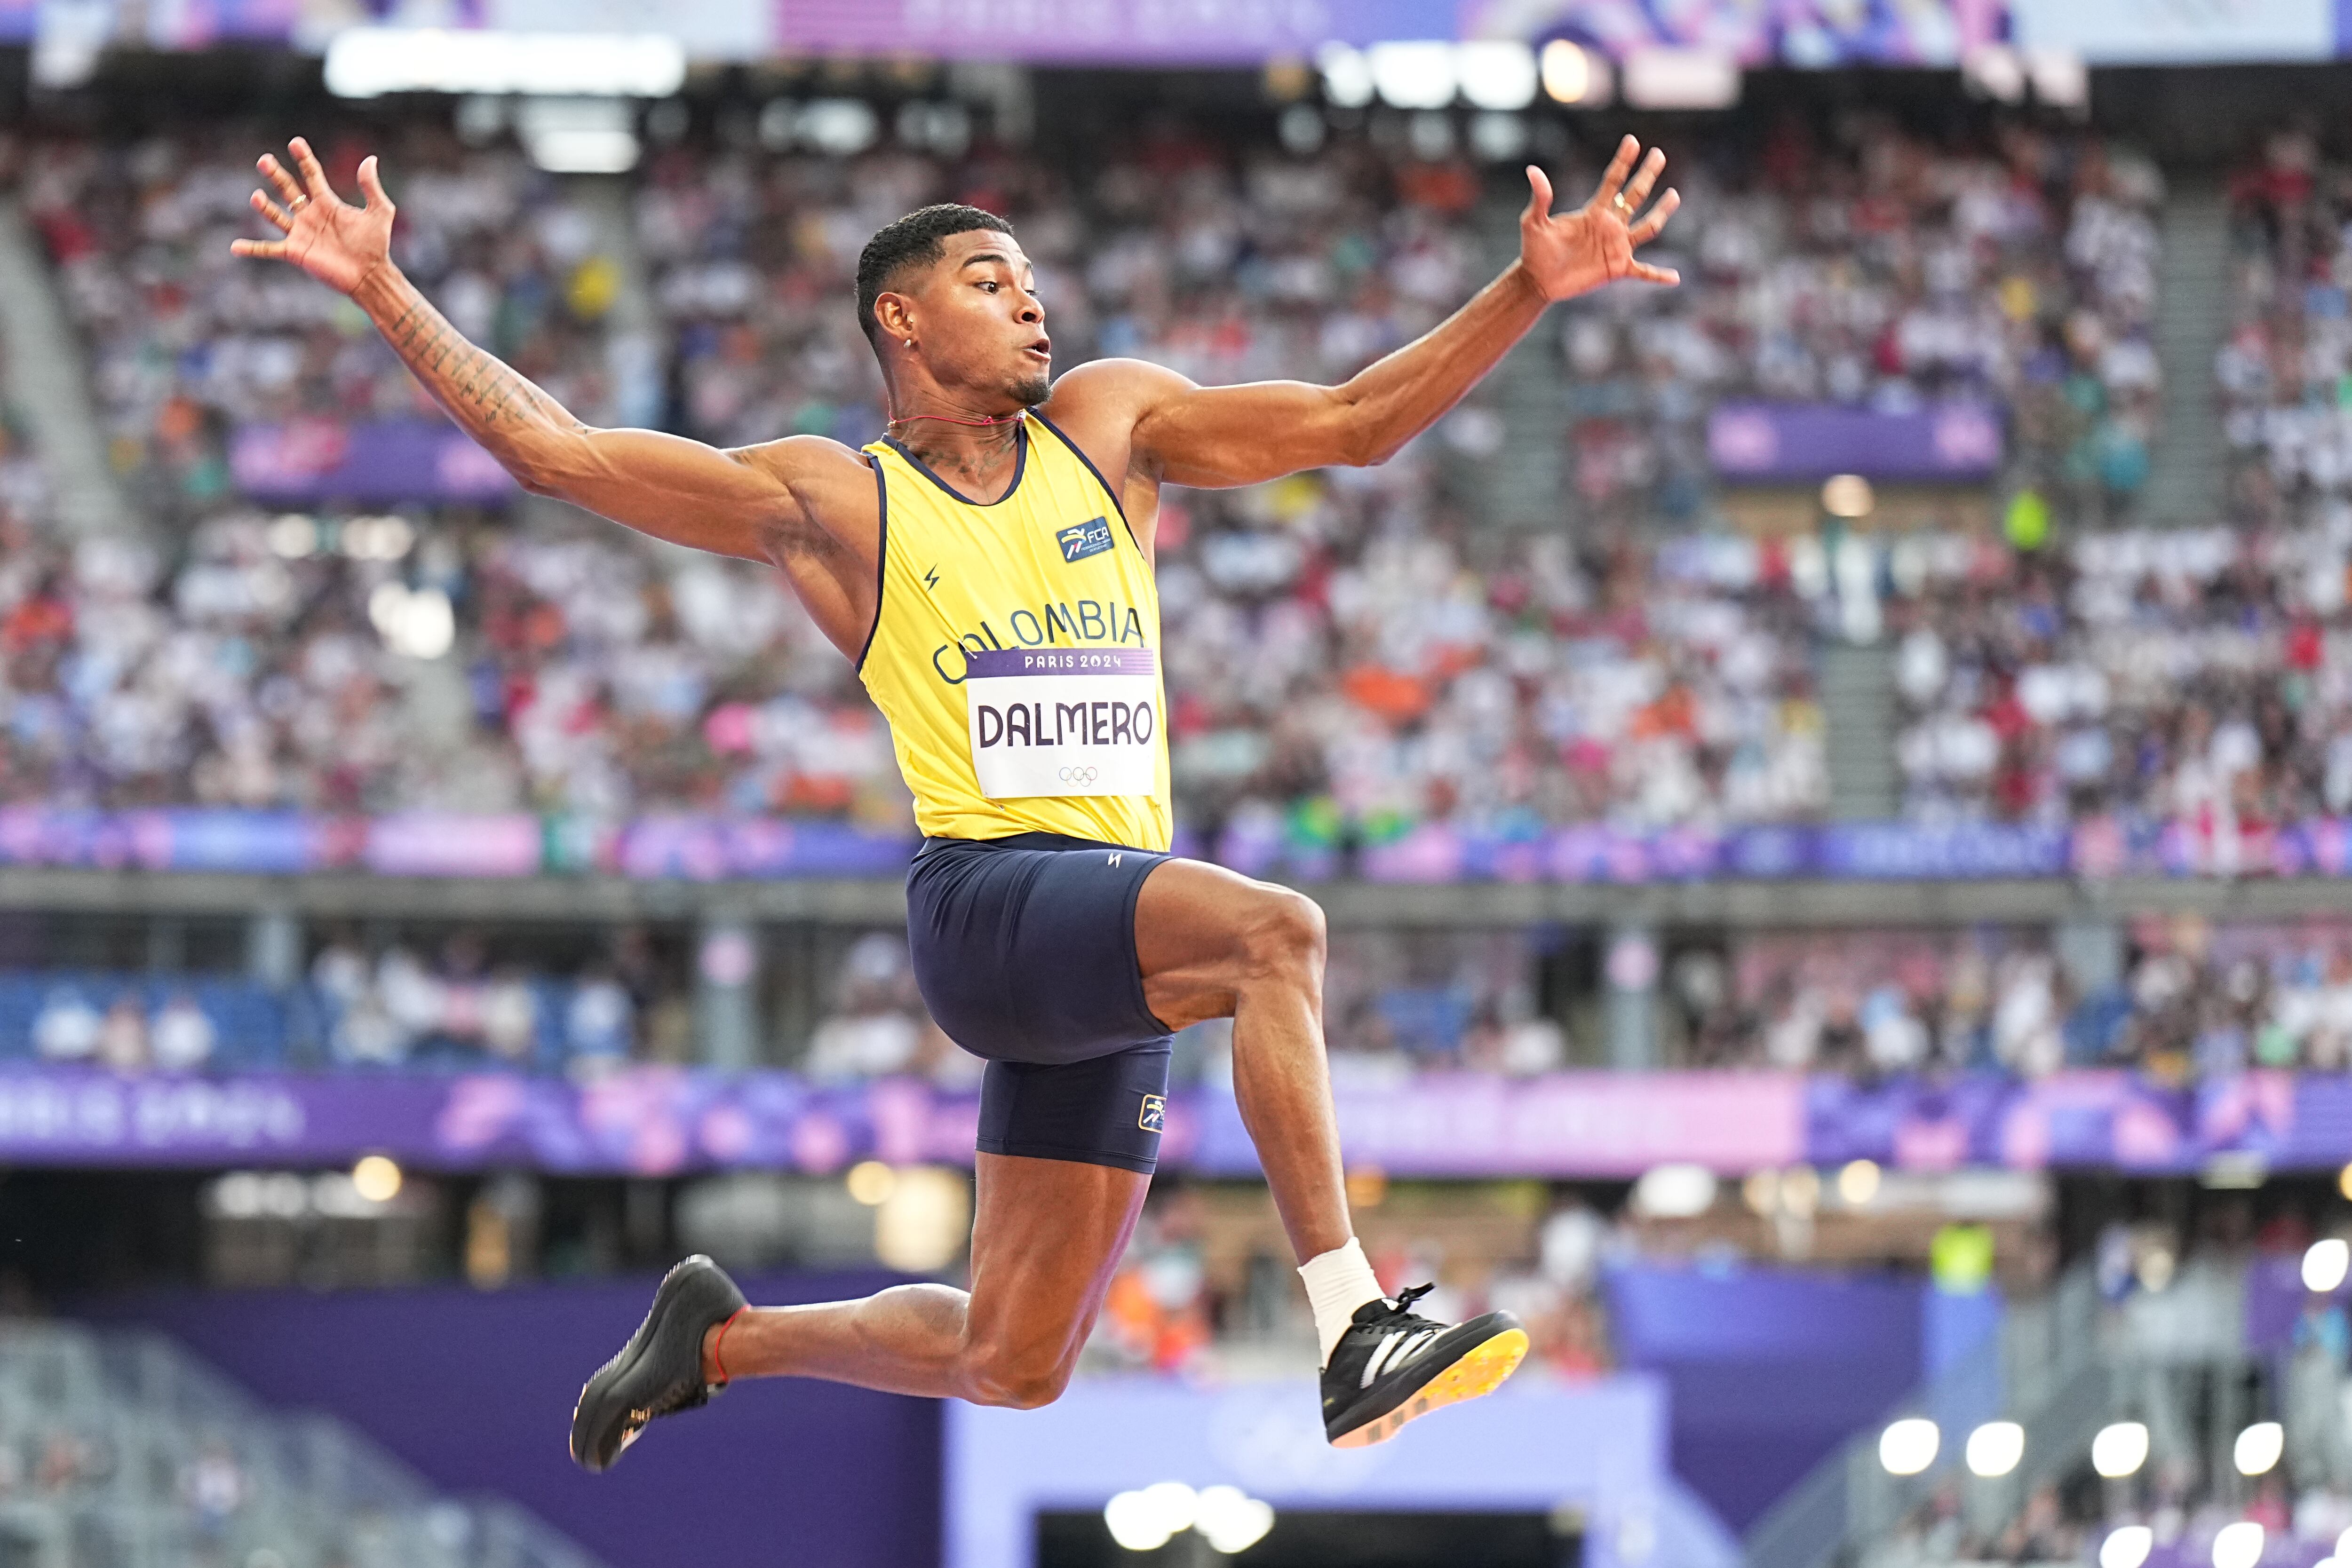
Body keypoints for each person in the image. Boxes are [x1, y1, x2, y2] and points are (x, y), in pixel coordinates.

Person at [231, 131, 1681, 1460]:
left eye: (1037, 282)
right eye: (995, 282)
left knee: (1017, 1360)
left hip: (1107, 936)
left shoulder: (1114, 431)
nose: (1037, 306)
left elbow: (1358, 419)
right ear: (905, 321)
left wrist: (1528, 287)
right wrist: (381, 286)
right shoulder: (842, 501)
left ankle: (718, 1341)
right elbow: (558, 455)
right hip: (992, 910)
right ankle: (1355, 1318)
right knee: (1275, 935)